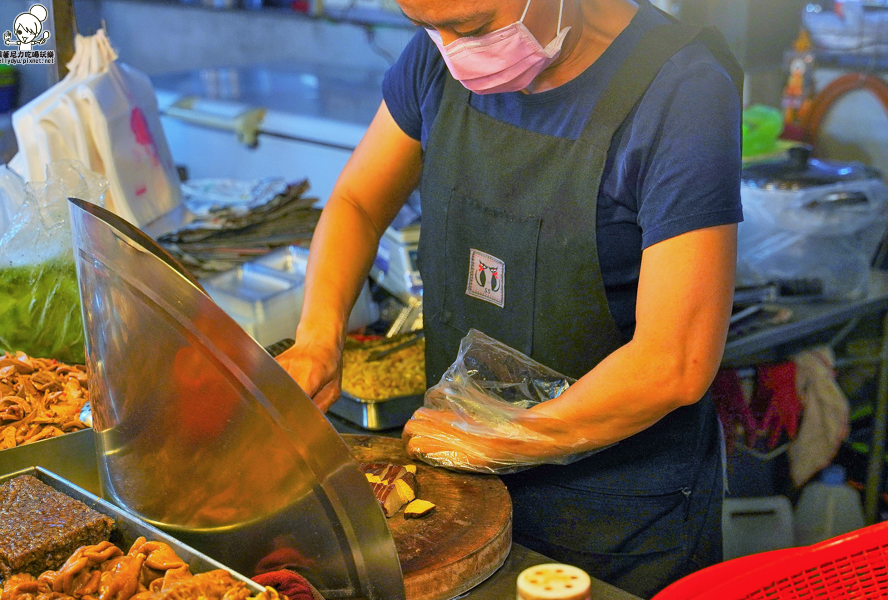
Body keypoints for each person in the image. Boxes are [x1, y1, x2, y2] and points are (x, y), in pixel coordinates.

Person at [277, 0, 742, 596]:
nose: (451, 50)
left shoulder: (681, 92)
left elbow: (675, 362)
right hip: (460, 503)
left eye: (471, 27)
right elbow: (357, 204)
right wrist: (319, 336)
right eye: (427, 28)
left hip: (615, 521)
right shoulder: (440, 57)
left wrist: (505, 437)